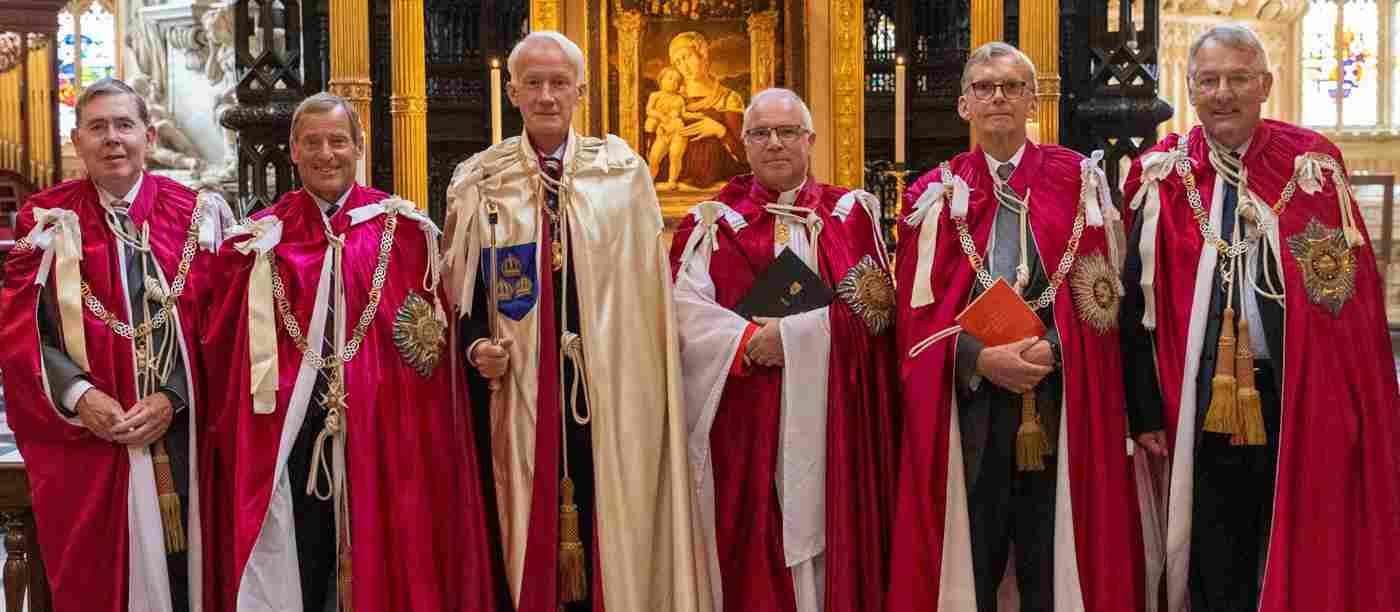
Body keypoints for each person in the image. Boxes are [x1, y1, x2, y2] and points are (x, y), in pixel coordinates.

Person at [1121, 24, 1400, 612]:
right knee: (1210, 542)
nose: (1224, 93)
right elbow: (1134, 306)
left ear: (1265, 85)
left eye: (1238, 78)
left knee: (1294, 529)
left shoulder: (1312, 166)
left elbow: (1349, 305)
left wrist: (1350, 400)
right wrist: (1145, 409)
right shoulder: (1163, 175)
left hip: (1297, 390)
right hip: (1195, 395)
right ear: (1191, 89)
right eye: (1210, 80)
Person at [442, 31, 711, 612]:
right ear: (512, 91)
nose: (545, 95)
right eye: (533, 83)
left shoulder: (622, 173)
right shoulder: (479, 179)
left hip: (612, 391)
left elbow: (648, 298)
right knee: (522, 531)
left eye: (558, 83)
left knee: (611, 528)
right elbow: (460, 297)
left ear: (581, 91)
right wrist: (475, 348)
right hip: (518, 395)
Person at [200, 92, 498, 611]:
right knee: (305, 561)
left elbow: (432, 348)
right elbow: (226, 353)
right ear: (292, 151)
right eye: (311, 142)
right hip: (293, 438)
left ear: (359, 148)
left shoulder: (404, 234)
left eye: (338, 141)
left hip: (385, 436)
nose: (326, 153)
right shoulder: (258, 243)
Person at [887, 42, 1140, 612]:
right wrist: (979, 359)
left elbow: (1102, 292)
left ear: (1034, 101)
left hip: (1059, 398)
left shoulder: (1079, 181)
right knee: (973, 555)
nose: (997, 96)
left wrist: (1054, 347)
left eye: (1011, 86)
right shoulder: (934, 193)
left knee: (1048, 559)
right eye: (983, 87)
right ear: (963, 106)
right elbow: (916, 316)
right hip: (970, 408)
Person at [0, 77, 230, 612]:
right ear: (76, 140)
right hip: (88, 440)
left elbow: (223, 330)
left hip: (183, 440)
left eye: (124, 125)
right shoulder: (45, 222)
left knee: (186, 578)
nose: (113, 139)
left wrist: (173, 398)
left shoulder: (198, 216)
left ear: (148, 135)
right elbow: (23, 331)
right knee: (96, 581)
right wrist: (81, 395)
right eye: (98, 127)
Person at [670, 88, 901, 612]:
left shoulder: (850, 215)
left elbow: (877, 312)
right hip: (747, 420)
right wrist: (749, 342)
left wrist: (794, 340)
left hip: (832, 416)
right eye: (760, 133)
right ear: (744, 144)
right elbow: (683, 311)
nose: (775, 143)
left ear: (810, 140)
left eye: (788, 131)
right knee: (751, 547)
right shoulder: (711, 223)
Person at [661, 31, 749, 188]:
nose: (684, 67)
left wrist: (719, 130)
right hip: (677, 190)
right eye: (678, 62)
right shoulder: (672, 99)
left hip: (720, 190)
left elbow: (745, 157)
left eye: (687, 57)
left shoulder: (728, 98)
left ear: (702, 53)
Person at [646, 67, 701, 190]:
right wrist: (660, 116)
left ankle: (672, 181)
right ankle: (649, 181)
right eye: (670, 78)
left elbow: (683, 114)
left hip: (678, 130)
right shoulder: (655, 95)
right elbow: (649, 110)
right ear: (661, 80)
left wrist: (696, 115)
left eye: (677, 81)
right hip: (663, 131)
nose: (674, 82)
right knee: (654, 157)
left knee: (675, 157)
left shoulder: (679, 98)